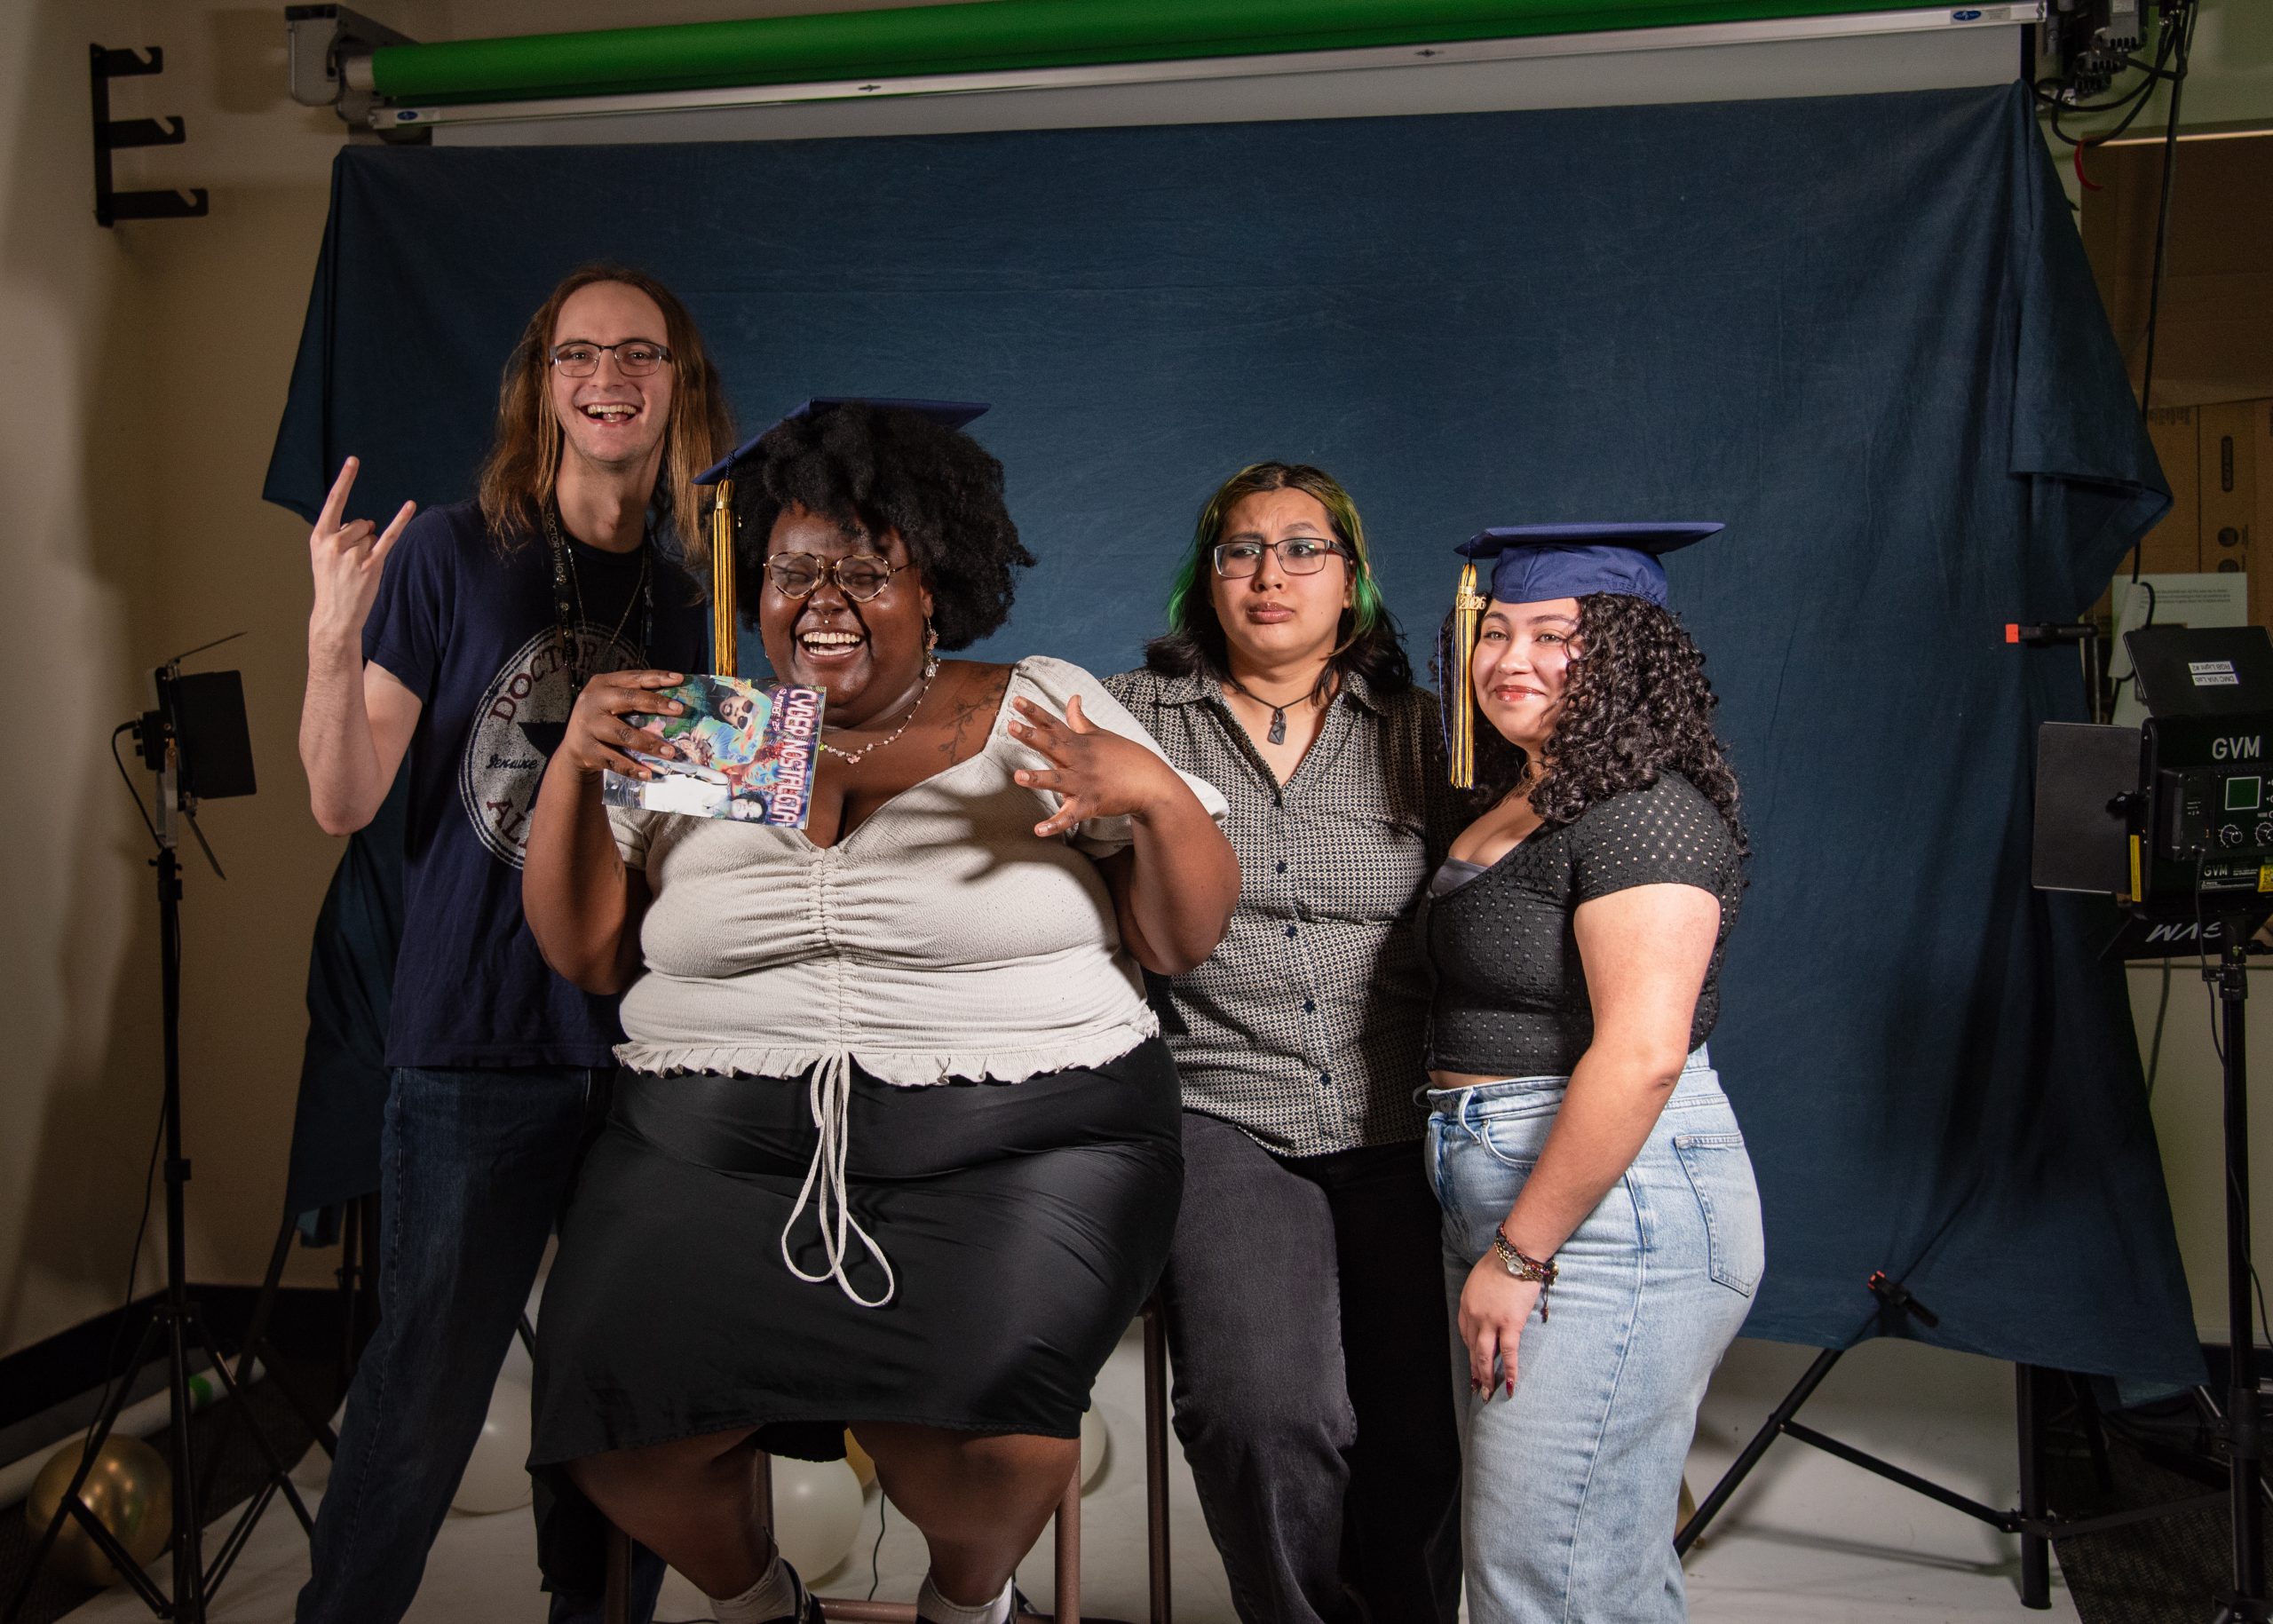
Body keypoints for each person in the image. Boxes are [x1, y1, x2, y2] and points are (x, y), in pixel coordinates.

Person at [519, 399, 1239, 1624]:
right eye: (796, 571)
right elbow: (591, 953)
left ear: (937, 587)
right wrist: (573, 773)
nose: (826, 598)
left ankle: (966, 1607)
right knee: (622, 1425)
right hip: (713, 1150)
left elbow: (1178, 935)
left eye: (868, 568)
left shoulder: (1034, 705)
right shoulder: (714, 728)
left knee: (988, 1445)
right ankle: (759, 1608)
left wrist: (1158, 802)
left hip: (1023, 1138)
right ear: (758, 590)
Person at [293, 262, 732, 1624]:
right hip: (474, 1044)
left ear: (679, 386)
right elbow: (341, 797)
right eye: (581, 352)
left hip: (643, 1050)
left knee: (626, 1410)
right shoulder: (447, 554)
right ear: (541, 385)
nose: (612, 376)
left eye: (641, 354)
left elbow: (703, 828)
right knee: (422, 1401)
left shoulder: (691, 593)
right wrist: (327, 637)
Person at [1105, 463, 1461, 1624]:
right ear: (1205, 582)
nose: (1270, 574)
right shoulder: (1130, 720)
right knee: (1262, 1408)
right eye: (1240, 550)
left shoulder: (1428, 736)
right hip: (1224, 1112)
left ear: (1351, 578)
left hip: (1403, 1116)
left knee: (1418, 1423)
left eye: (1303, 547)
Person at [1423, 523, 1762, 1624]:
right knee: (1583, 1564)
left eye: (1554, 635)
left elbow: (1642, 1052)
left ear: (1624, 656)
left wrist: (1522, 1255)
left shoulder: (1643, 811)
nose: (1510, 658)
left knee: (1548, 1575)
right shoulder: (1532, 793)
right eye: (1498, 630)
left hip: (1611, 1217)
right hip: (1528, 1191)